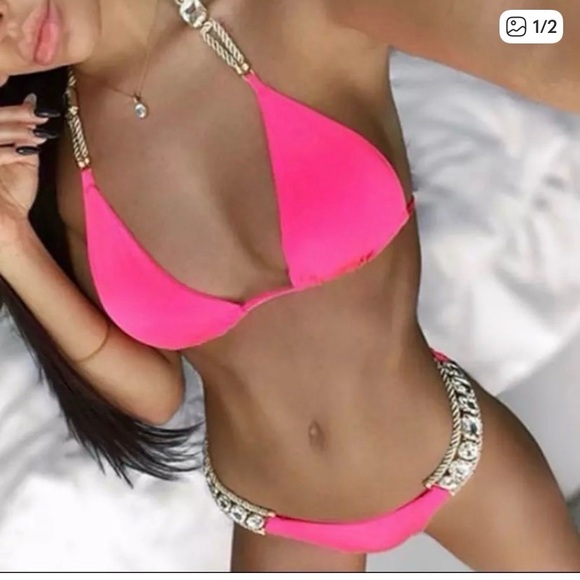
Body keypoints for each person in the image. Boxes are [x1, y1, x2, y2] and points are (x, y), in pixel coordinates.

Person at [0, 0, 578, 572]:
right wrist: (14, 246)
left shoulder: (292, 13)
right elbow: (157, 395)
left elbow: (536, 36)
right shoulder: (64, 179)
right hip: (276, 519)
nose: (7, 27)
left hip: (453, 458)